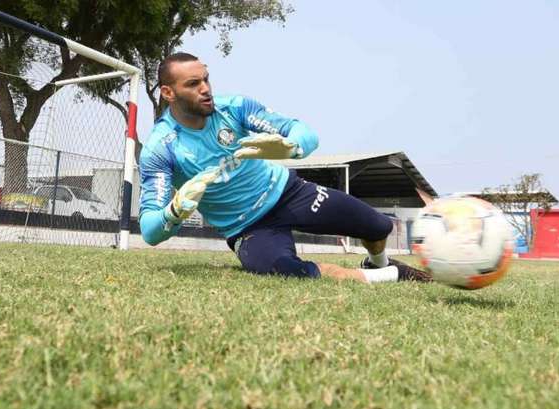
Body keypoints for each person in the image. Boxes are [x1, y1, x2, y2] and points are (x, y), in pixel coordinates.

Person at [138, 52, 431, 284]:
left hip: (290, 193)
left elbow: (304, 132)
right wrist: (173, 212)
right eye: (192, 84)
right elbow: (151, 230)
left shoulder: (234, 107)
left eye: (206, 79)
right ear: (168, 93)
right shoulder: (161, 147)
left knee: (378, 227)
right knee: (289, 271)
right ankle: (392, 276)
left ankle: (378, 264)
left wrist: (292, 146)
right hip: (247, 227)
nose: (205, 89)